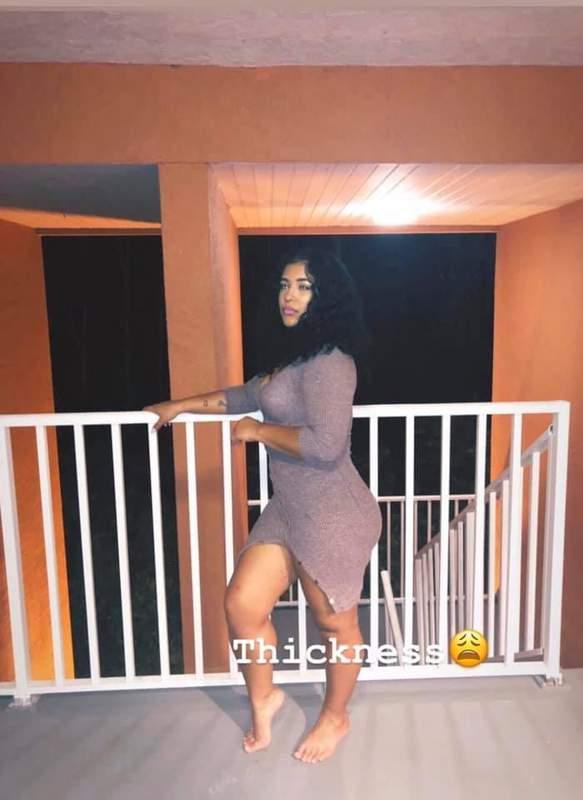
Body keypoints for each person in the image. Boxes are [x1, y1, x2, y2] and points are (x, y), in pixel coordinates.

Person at [143, 248, 382, 764]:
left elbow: (326, 445)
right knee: (243, 605)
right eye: (284, 285)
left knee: (335, 624)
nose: (288, 296)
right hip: (290, 508)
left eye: (304, 286)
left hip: (333, 514)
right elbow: (242, 396)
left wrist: (258, 431)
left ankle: (336, 715)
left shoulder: (331, 362)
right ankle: (264, 697)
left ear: (326, 297)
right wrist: (180, 405)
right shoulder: (294, 357)